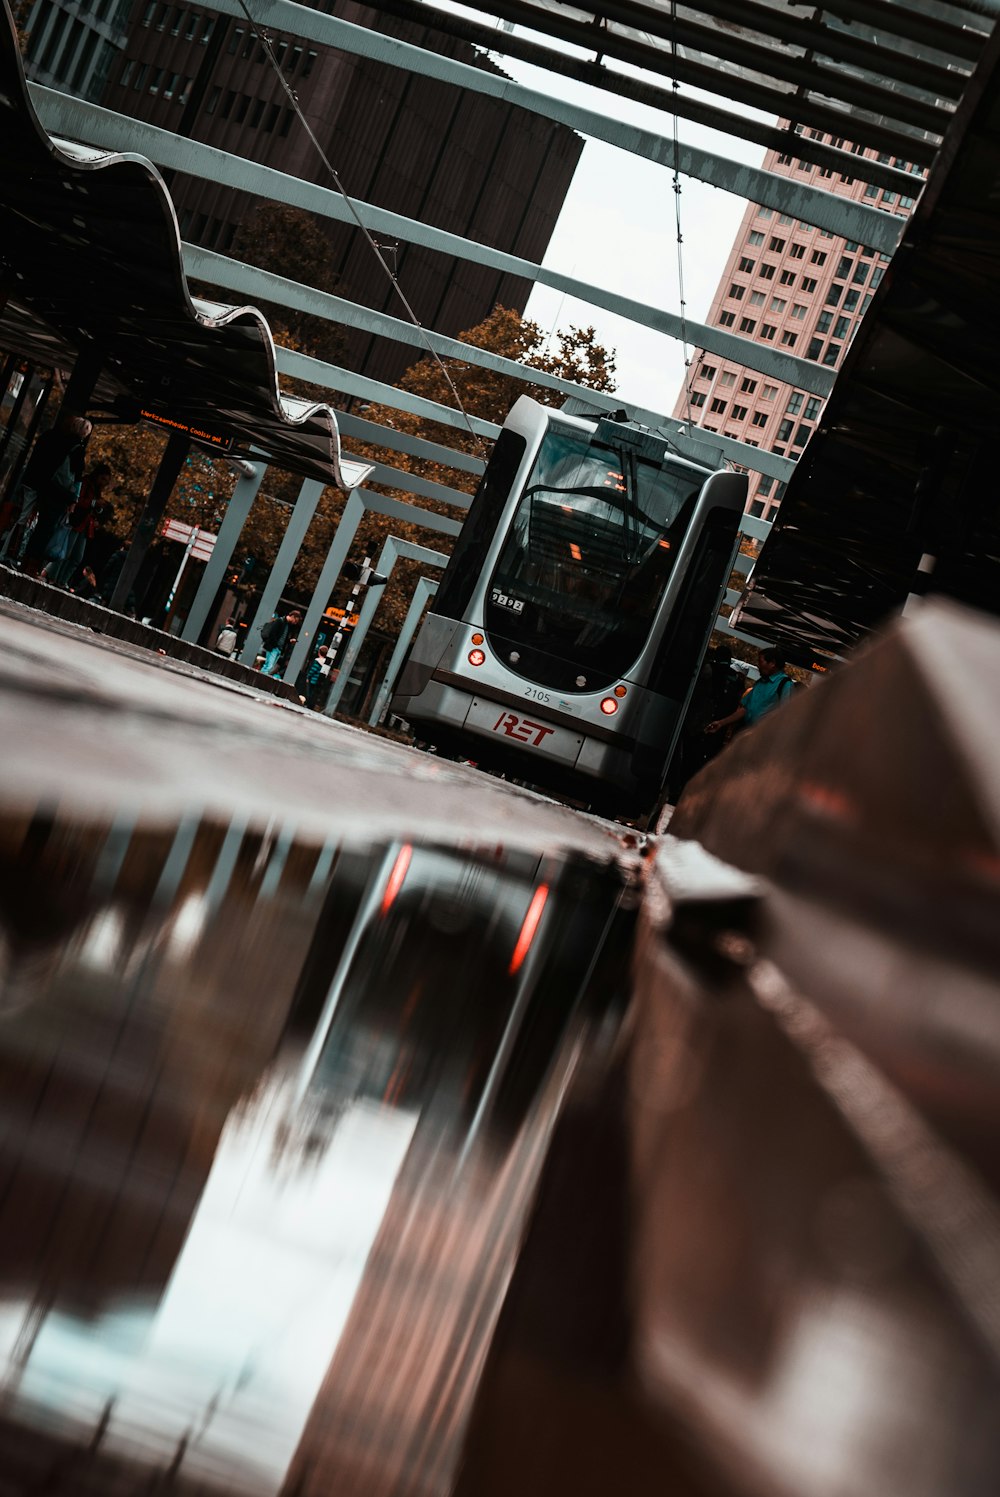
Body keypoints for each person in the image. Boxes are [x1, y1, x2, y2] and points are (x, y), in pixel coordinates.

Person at [19, 413, 92, 575]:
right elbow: (77, 476)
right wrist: (74, 498)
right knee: (47, 528)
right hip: (61, 494)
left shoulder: (59, 441)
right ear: (84, 432)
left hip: (48, 488)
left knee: (39, 525)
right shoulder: (78, 449)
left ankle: (25, 558)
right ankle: (33, 564)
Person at [42, 461, 112, 587]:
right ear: (97, 475)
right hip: (76, 521)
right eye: (103, 478)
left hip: (84, 525)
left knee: (76, 557)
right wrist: (94, 504)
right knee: (65, 553)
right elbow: (78, 500)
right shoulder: (86, 483)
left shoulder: (96, 489)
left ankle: (61, 580)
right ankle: (51, 575)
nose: (104, 483)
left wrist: (97, 509)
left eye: (106, 480)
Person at [705, 648, 794, 737]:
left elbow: (786, 716)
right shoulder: (761, 682)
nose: (758, 666)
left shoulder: (785, 685)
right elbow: (745, 709)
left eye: (760, 661)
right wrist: (721, 723)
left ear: (772, 663)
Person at [259, 608, 302, 676]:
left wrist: (289, 641)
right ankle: (259, 679)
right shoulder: (280, 621)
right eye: (295, 621)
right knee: (269, 667)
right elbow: (272, 634)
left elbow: (282, 637)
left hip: (278, 649)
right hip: (274, 647)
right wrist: (275, 645)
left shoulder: (287, 625)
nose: (295, 623)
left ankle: (258, 677)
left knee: (268, 666)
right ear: (293, 616)